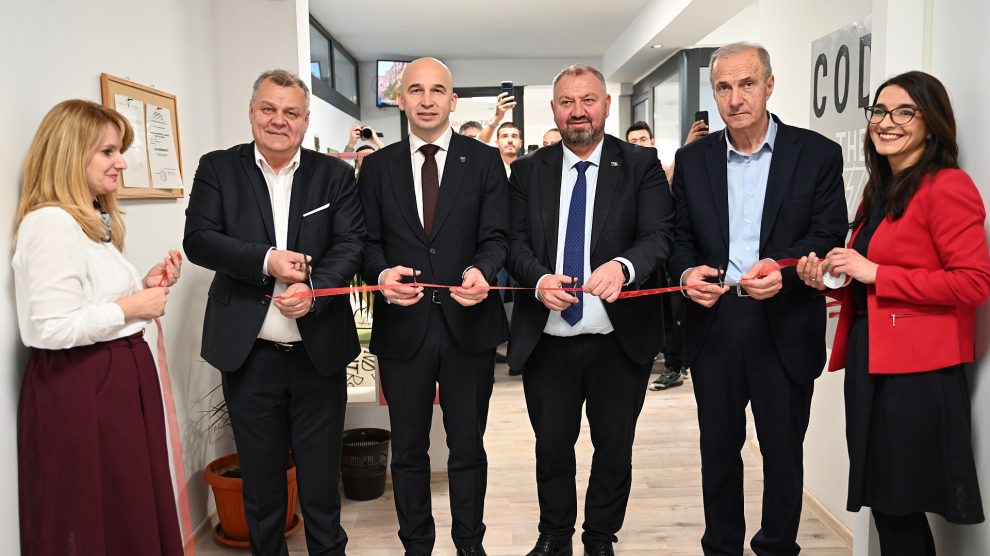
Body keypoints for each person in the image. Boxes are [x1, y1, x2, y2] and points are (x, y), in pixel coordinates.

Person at [798, 71, 990, 556]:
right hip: (873, 362)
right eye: (880, 111)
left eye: (905, 112)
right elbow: (869, 278)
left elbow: (973, 283)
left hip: (918, 373)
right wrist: (831, 279)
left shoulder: (948, 185)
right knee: (887, 506)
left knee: (898, 505)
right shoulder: (881, 189)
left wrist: (877, 273)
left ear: (932, 123)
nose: (887, 122)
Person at [668, 42, 847, 555]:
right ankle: (721, 546)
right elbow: (679, 238)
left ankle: (776, 546)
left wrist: (784, 273)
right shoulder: (692, 159)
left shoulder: (816, 154)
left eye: (747, 84)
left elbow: (827, 233)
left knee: (783, 453)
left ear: (769, 85)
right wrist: (687, 272)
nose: (735, 98)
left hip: (785, 322)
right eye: (723, 87)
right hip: (715, 321)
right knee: (718, 451)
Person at [184, 69, 365, 556]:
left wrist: (315, 289)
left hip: (318, 354)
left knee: (321, 482)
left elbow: (351, 244)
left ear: (305, 121)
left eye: (291, 112)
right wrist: (266, 260)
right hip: (250, 355)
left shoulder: (334, 175)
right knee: (262, 486)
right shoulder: (218, 169)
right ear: (251, 112)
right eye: (268, 109)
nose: (279, 120)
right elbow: (199, 240)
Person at [508, 64, 672, 556]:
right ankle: (555, 535)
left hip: (618, 340)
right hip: (548, 339)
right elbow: (514, 243)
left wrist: (623, 267)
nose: (577, 111)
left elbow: (659, 236)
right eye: (566, 102)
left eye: (588, 100)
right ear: (553, 109)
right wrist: (538, 279)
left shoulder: (640, 164)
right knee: (551, 446)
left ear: (605, 105)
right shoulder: (528, 171)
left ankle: (600, 537)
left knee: (614, 447)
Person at [13, 99, 183, 555]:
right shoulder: (50, 224)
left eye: (119, 151)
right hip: (84, 385)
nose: (121, 162)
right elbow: (50, 328)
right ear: (71, 154)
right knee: (96, 511)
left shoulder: (85, 221)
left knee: (126, 504)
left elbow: (88, 303)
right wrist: (132, 306)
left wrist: (141, 289)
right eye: (108, 152)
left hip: (110, 381)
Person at [358, 57, 509, 556]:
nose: (427, 100)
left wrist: (483, 270)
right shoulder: (377, 167)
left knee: (468, 447)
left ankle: (469, 544)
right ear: (401, 100)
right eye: (416, 90)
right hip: (404, 327)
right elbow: (367, 242)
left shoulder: (483, 161)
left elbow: (497, 236)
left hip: (470, 324)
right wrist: (382, 274)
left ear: (453, 100)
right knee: (407, 450)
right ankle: (416, 545)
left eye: (437, 90)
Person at [622, 120, 708, 391]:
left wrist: (687, 147)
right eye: (633, 141)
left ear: (652, 142)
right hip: (642, 260)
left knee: (677, 314)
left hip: (673, 255)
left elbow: (669, 180)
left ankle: (675, 367)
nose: (638, 144)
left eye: (642, 139)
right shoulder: (626, 173)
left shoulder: (663, 169)